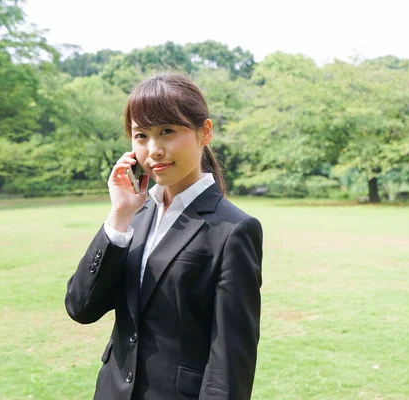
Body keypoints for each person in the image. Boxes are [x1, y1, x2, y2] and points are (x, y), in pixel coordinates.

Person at [65, 73, 263, 400]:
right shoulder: (134, 217)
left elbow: (230, 363)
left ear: (205, 132)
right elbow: (80, 307)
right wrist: (118, 217)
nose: (154, 150)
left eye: (167, 131)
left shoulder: (233, 231)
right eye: (141, 135)